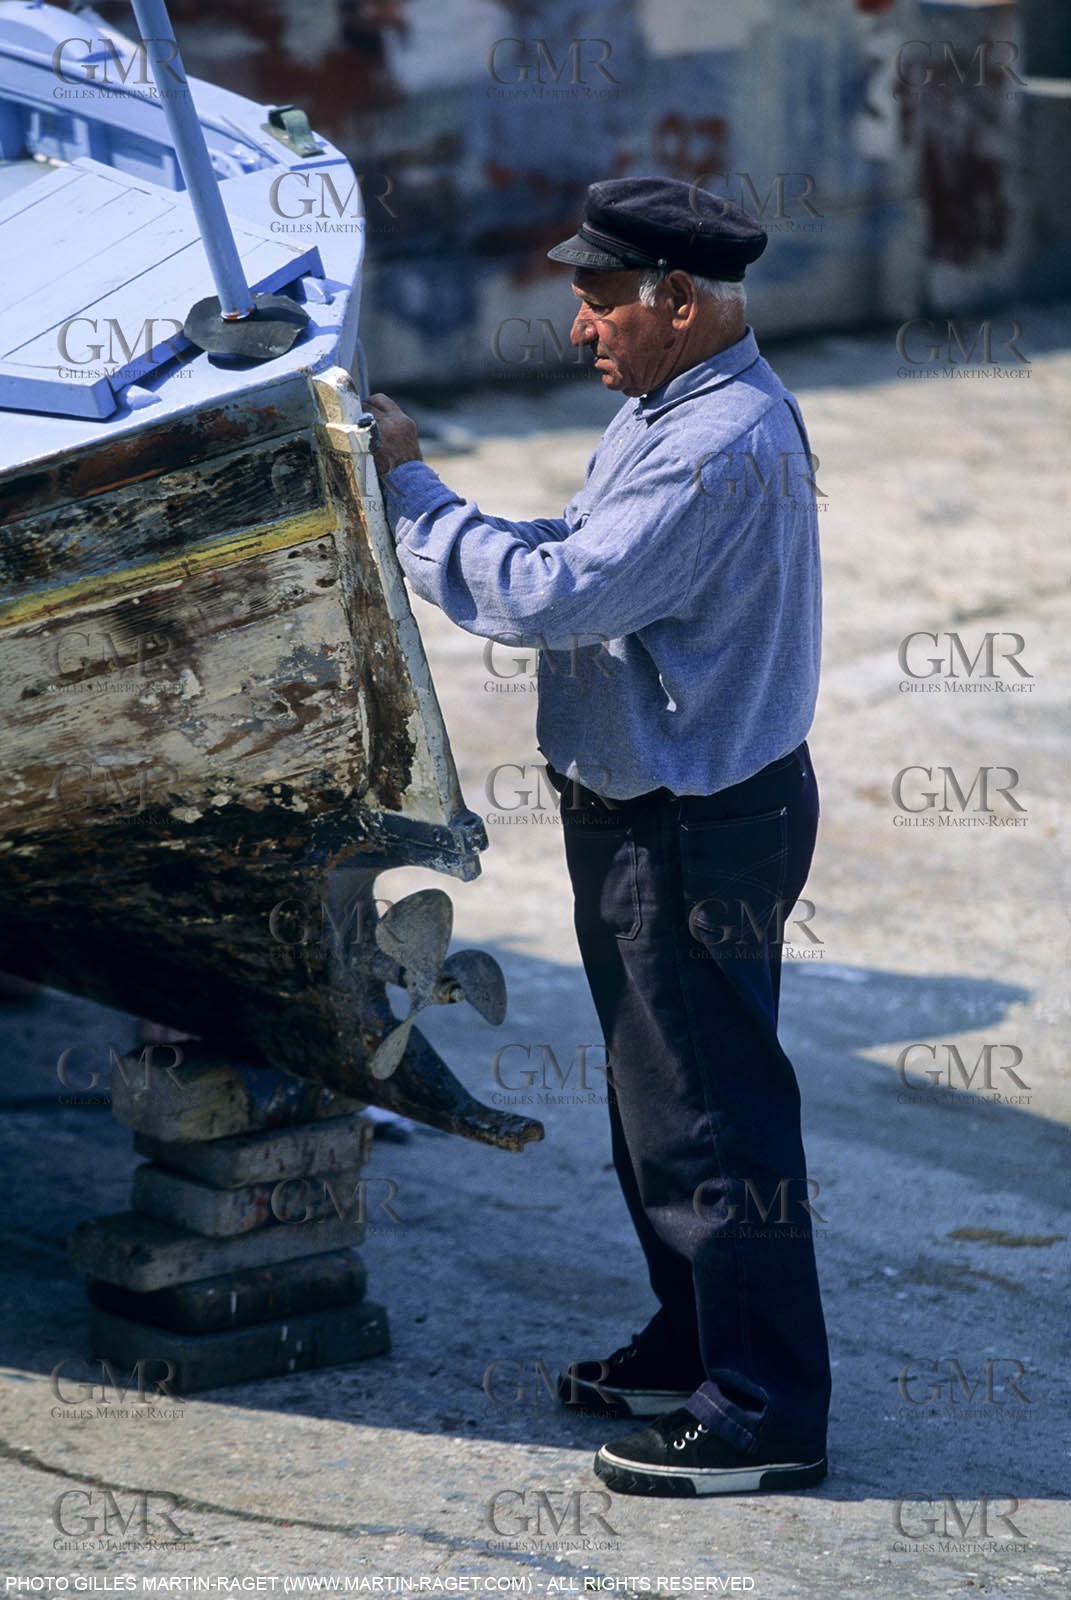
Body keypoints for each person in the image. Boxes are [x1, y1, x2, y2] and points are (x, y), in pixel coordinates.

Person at [366, 176, 830, 1498]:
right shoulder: (669, 406)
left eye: (600, 300)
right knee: (657, 1106)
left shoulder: (710, 444)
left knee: (710, 1118)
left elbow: (549, 593)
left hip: (689, 822)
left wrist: (408, 485)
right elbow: (583, 559)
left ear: (677, 300)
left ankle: (762, 1411)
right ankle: (695, 1344)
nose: (579, 329)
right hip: (658, 804)